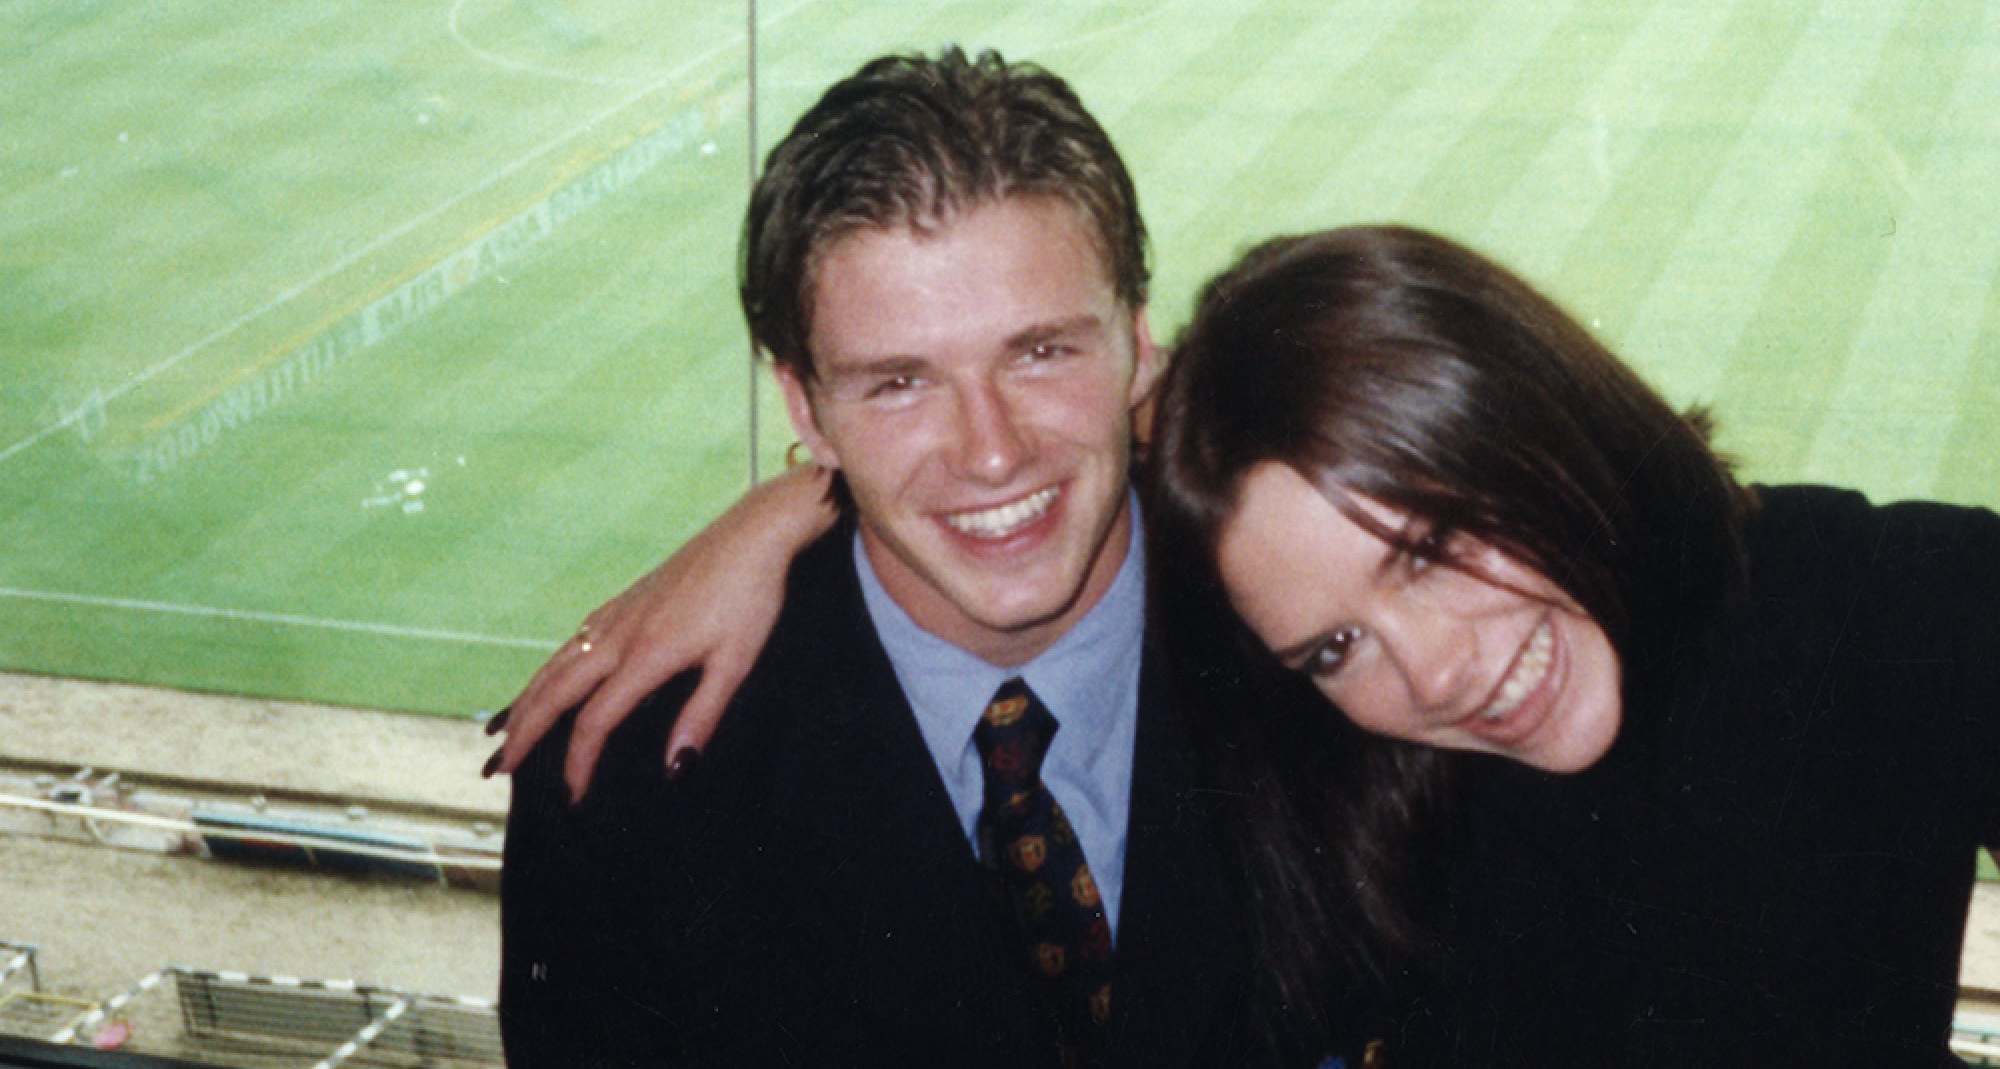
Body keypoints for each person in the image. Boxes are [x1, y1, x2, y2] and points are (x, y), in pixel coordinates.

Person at [496, 223, 2000, 1064]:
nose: (1438, 671)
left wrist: (803, 496)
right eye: (1339, 644)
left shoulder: (1882, 604)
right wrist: (813, 503)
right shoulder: (1362, 761)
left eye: (1430, 549)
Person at [498, 47, 1305, 1069]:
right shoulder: (625, 786)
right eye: (898, 384)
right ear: (805, 410)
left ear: (1138, 346)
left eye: (1041, 350)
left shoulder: (1332, 654)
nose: (991, 449)